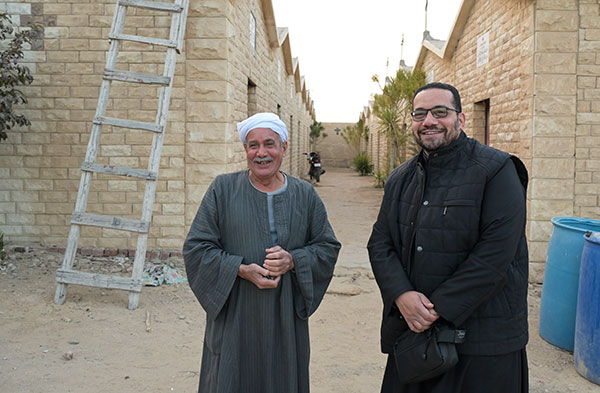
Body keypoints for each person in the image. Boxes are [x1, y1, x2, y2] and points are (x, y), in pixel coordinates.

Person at [367, 82, 529, 393]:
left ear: (461, 119)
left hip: (483, 344)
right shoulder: (401, 178)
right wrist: (402, 295)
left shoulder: (496, 171)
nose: (429, 121)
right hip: (416, 342)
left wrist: (435, 307)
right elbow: (380, 243)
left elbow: (494, 257)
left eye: (440, 112)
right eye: (420, 114)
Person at [183, 112, 340, 393]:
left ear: (284, 148)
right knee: (230, 377)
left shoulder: (305, 194)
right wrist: (240, 269)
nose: (261, 153)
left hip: (284, 315)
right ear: (245, 150)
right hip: (236, 314)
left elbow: (327, 247)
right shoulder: (222, 189)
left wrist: (293, 260)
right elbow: (196, 248)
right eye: (253, 145)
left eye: (270, 144)